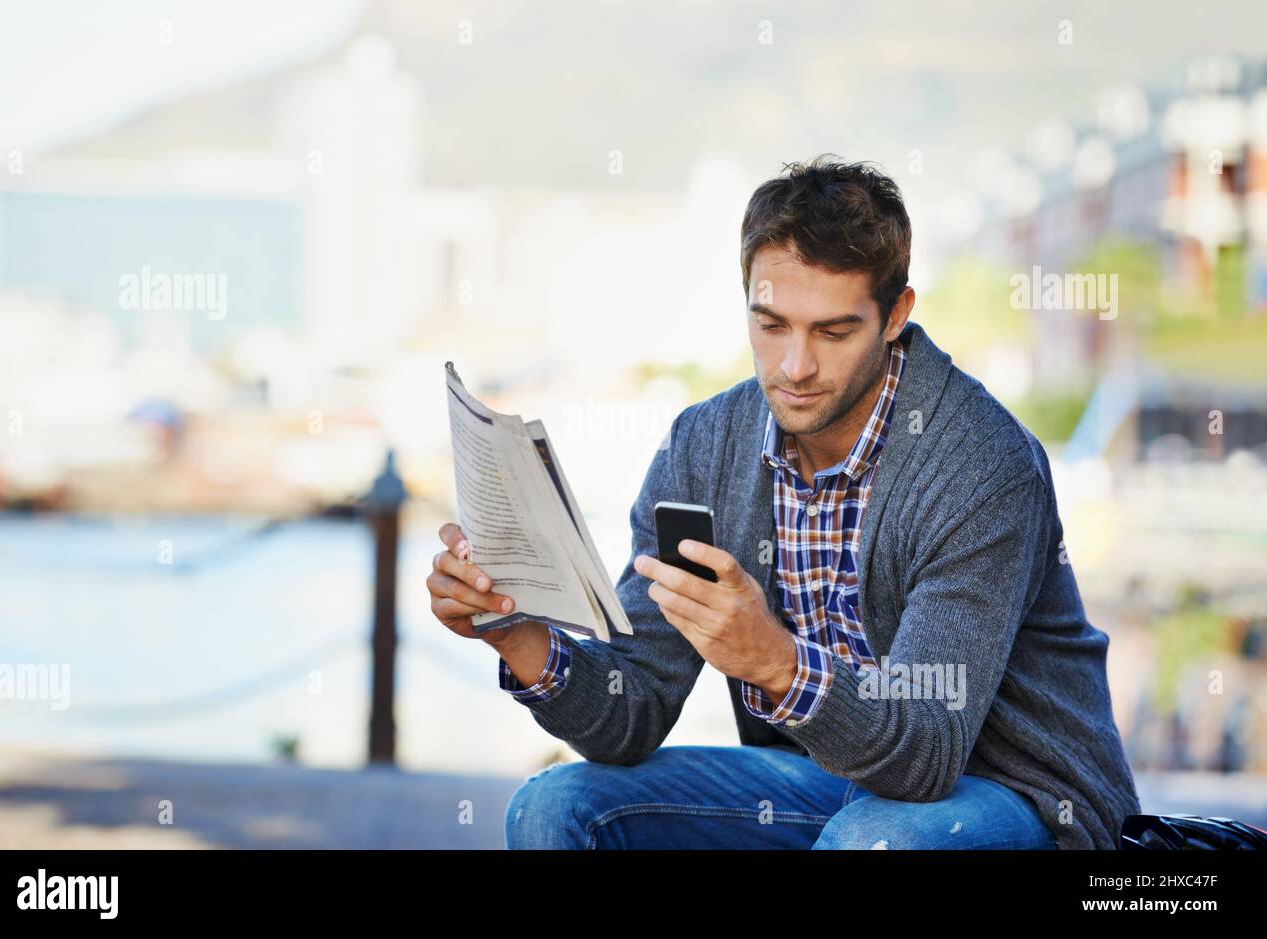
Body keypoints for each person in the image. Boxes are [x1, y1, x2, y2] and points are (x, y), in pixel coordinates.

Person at [426, 155, 1141, 850]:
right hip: (828, 784)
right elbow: (629, 712)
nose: (795, 366)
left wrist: (777, 663)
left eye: (832, 331)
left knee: (873, 837)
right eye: (771, 325)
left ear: (896, 315)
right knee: (554, 807)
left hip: (1022, 800)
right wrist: (514, 634)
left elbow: (927, 750)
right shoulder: (705, 446)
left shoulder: (978, 464)